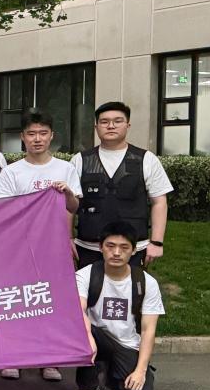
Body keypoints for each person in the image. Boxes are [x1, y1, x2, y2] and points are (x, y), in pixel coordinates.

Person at [0, 111, 81, 381]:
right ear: (23, 137)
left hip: (53, 248)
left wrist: (67, 193)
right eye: (31, 134)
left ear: (51, 136)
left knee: (50, 301)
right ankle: (14, 357)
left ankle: (50, 360)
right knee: (18, 300)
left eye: (43, 133)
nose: (37, 139)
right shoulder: (12, 172)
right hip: (18, 248)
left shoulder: (65, 169)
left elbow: (73, 207)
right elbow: (2, 209)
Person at [71, 101, 173, 270]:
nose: (111, 126)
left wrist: (157, 242)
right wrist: (68, 238)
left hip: (133, 249)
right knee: (88, 287)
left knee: (131, 287)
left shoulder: (146, 159)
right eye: (104, 122)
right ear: (96, 127)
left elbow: (159, 201)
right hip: (88, 247)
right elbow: (69, 204)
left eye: (117, 121)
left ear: (128, 125)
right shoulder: (80, 160)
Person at [72, 221, 164, 390]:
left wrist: (140, 371)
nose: (116, 252)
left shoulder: (146, 282)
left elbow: (148, 330)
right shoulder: (85, 275)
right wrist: (88, 339)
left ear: (134, 250)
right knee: (81, 328)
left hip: (127, 345)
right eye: (110, 246)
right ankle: (89, 386)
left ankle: (112, 375)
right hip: (96, 337)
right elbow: (78, 311)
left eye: (124, 247)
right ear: (101, 247)